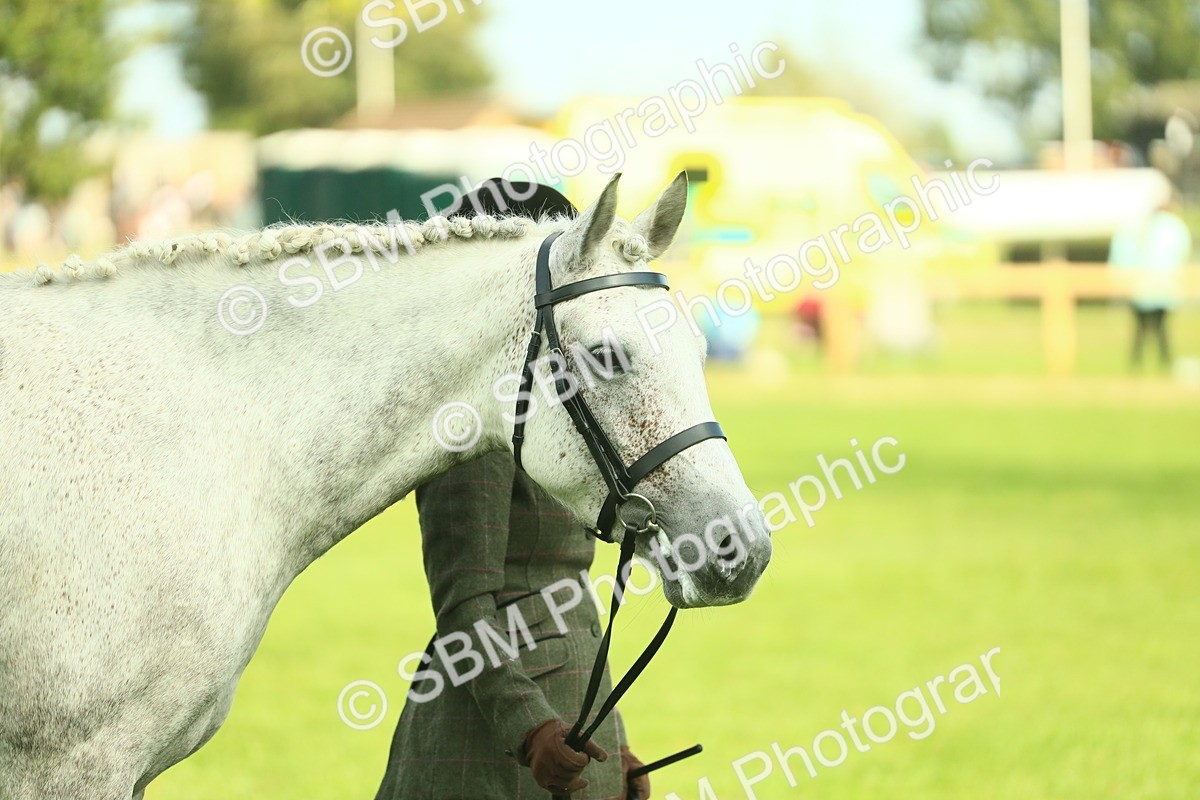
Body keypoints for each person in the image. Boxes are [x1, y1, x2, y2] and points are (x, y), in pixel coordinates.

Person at [373, 179, 652, 800]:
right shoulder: (473, 430)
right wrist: (531, 733)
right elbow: (464, 606)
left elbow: (571, 605)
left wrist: (617, 743)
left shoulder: (552, 408)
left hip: (571, 741)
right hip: (485, 754)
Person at [1110, 197, 1193, 370]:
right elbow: (1182, 251)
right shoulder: (1174, 226)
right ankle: (1164, 361)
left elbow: (1122, 253)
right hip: (1165, 283)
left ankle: (1137, 363)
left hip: (1140, 284)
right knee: (1161, 327)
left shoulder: (1140, 225)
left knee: (1140, 328)